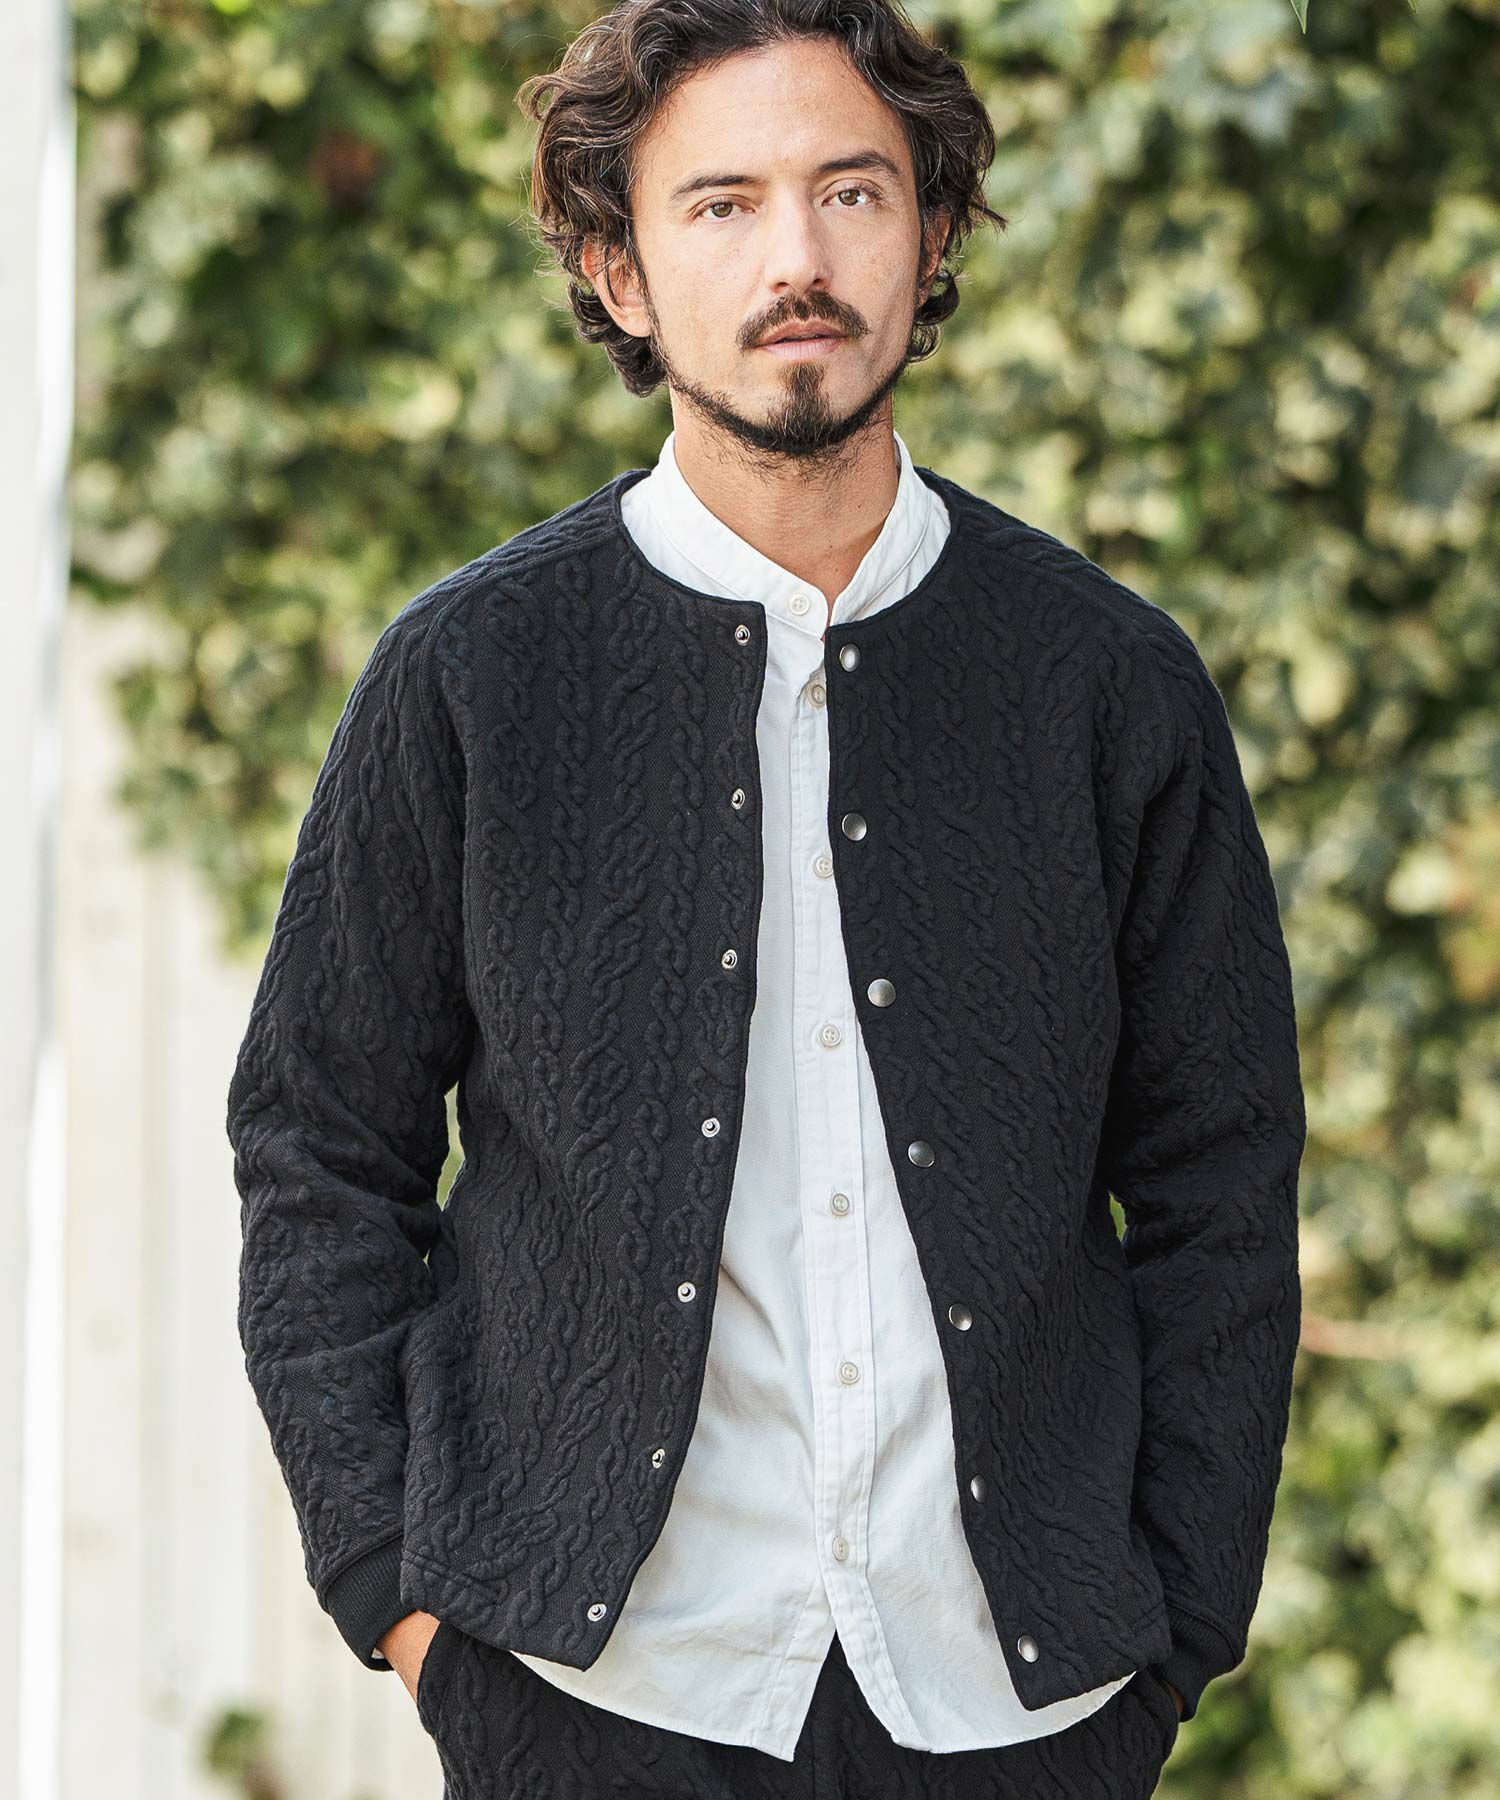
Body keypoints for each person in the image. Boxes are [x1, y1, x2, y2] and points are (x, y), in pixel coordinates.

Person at [226, 1, 1306, 1795]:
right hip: (595, 1694)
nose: (796, 258)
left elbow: (1222, 1172)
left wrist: (1179, 1626)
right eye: (721, 204)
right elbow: (319, 1148)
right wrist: (402, 1603)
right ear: (619, 271)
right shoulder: (472, 675)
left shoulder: (1107, 686)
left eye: (853, 192)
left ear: (932, 235)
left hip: (1020, 1705)